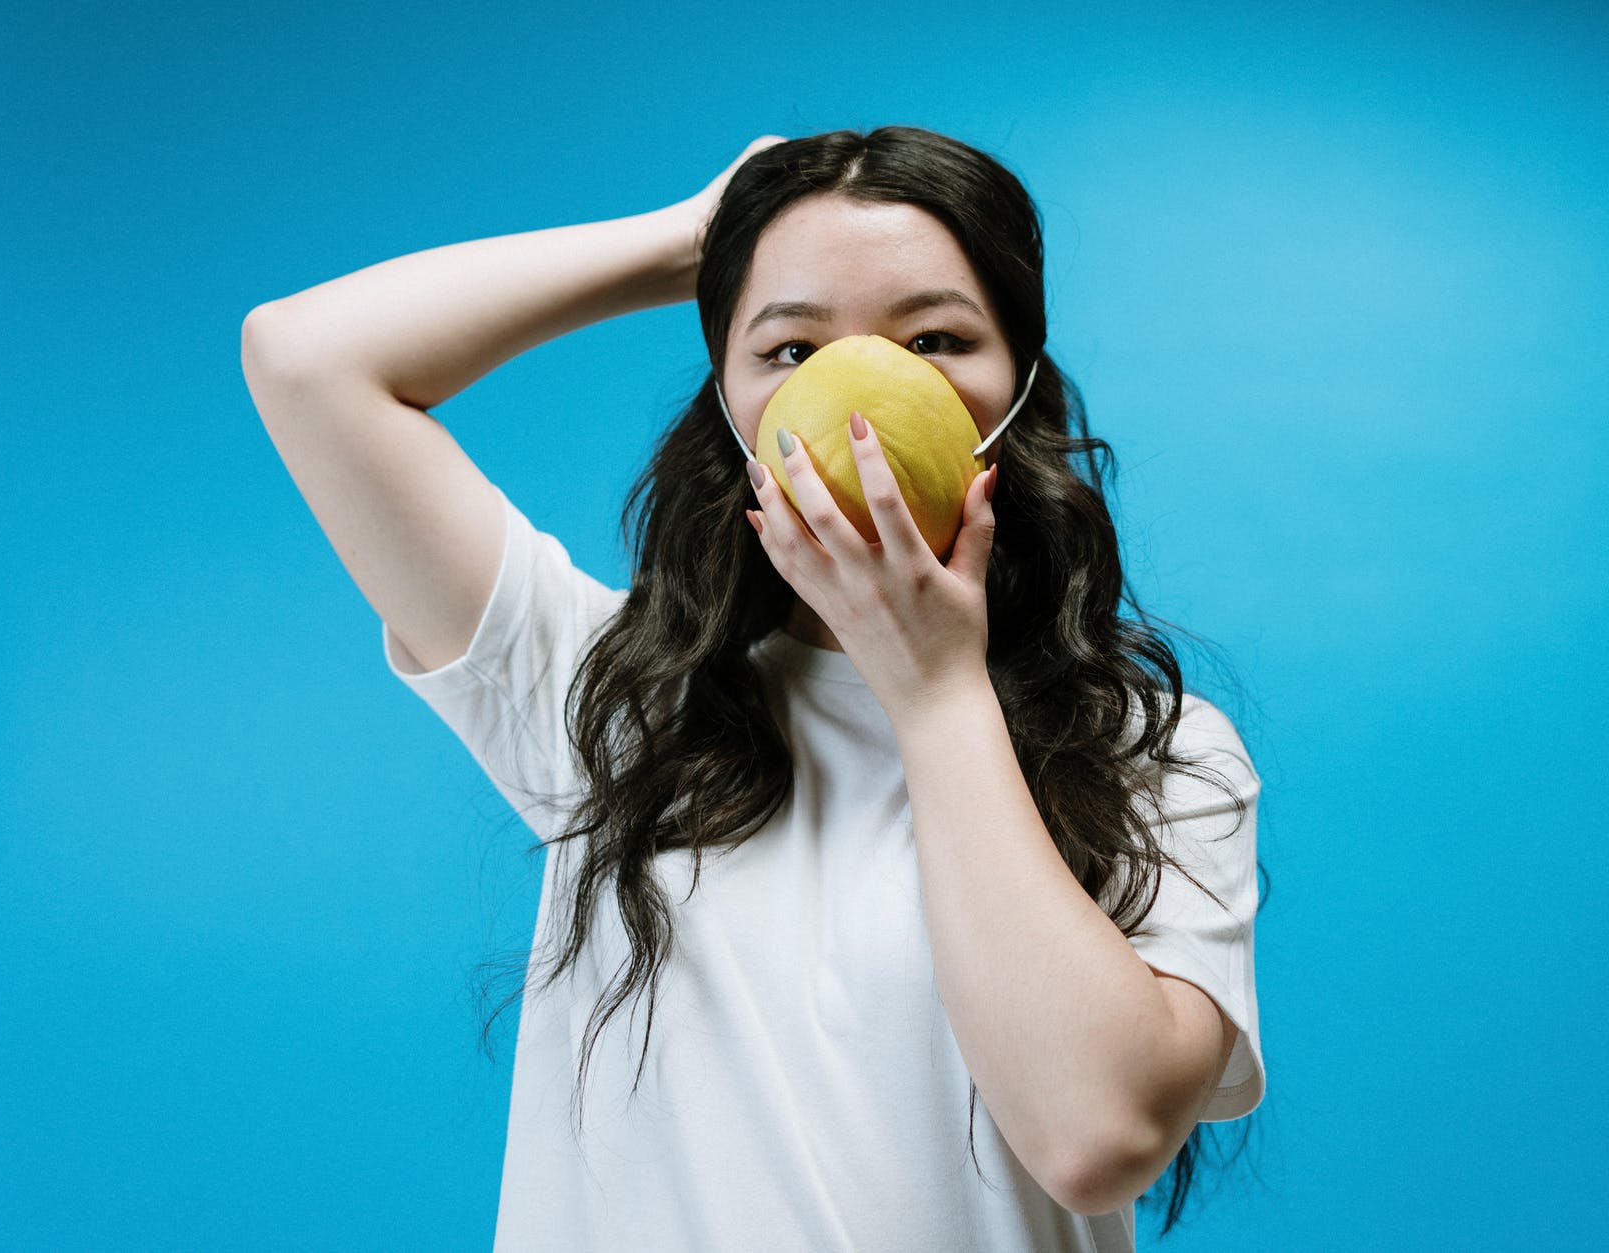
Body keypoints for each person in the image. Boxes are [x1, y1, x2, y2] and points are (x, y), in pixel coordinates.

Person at [241, 125, 1266, 1252]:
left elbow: (1095, 1136)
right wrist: (688, 241)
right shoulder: (613, 695)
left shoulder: (1156, 751)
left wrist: (934, 691)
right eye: (791, 348)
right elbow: (306, 358)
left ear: (1019, 384)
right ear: (731, 410)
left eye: (933, 338)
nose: (862, 391)